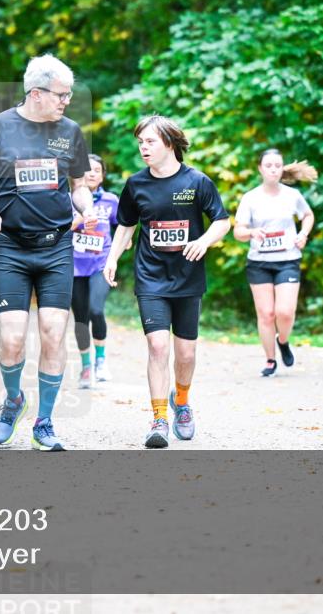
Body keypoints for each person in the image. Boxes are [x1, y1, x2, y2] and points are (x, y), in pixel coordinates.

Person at [0, 54, 97, 451]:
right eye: (61, 94)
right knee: (10, 340)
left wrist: (86, 205)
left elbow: (78, 184)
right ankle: (14, 401)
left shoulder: (70, 131)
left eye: (70, 95)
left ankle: (44, 422)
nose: (67, 101)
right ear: (36, 94)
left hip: (56, 245)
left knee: (54, 333)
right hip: (11, 248)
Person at [104, 115, 230, 449]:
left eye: (150, 142)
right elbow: (126, 225)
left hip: (188, 278)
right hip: (151, 277)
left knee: (185, 354)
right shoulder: (135, 184)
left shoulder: (197, 182)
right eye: (141, 142)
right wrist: (112, 257)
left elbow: (222, 221)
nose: (143, 148)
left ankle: (182, 402)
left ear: (169, 144)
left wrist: (203, 242)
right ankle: (159, 418)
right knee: (158, 346)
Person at [233, 149, 317, 377]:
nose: (273, 169)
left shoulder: (292, 196)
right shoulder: (250, 197)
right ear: (260, 169)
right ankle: (270, 360)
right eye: (268, 165)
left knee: (285, 312)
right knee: (266, 314)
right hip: (259, 263)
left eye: (277, 166)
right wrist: (251, 232)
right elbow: (237, 231)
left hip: (287, 260)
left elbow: (308, 215)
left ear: (282, 169)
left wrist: (303, 234)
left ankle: (284, 340)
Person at [71, 154, 120, 388]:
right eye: (87, 169)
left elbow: (122, 226)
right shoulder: (68, 199)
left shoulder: (111, 200)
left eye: (97, 170)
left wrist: (123, 245)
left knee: (96, 310)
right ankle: (86, 367)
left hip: (101, 263)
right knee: (80, 318)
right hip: (73, 266)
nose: (91, 173)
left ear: (102, 175)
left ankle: (101, 362)